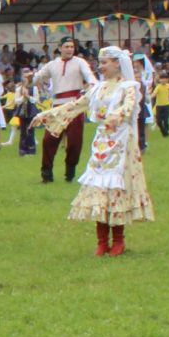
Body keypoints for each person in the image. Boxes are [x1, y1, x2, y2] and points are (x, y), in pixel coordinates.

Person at [31, 46, 154, 257]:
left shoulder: (129, 87)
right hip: (102, 144)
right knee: (99, 189)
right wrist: (47, 115)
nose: (101, 67)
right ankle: (101, 241)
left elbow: (130, 107)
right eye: (101, 62)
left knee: (116, 190)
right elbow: (76, 105)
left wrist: (117, 115)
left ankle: (118, 240)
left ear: (117, 63)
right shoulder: (97, 88)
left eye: (105, 62)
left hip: (122, 143)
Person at [33, 37, 97, 183]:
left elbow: (89, 76)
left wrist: (93, 85)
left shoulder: (80, 62)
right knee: (49, 139)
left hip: (74, 105)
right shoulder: (52, 64)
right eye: (66, 46)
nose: (69, 49)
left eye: (72, 47)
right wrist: (32, 79)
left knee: (75, 142)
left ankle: (70, 173)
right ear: (60, 48)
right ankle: (46, 174)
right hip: (57, 106)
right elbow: (38, 77)